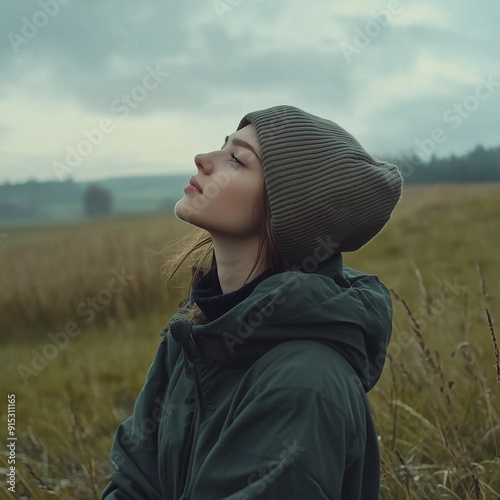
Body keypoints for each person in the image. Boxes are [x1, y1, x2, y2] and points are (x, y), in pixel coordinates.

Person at [101, 104, 403, 499]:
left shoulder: (305, 383)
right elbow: (131, 482)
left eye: (236, 160)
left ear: (287, 211)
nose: (203, 160)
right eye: (223, 146)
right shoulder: (190, 336)